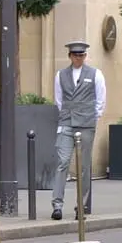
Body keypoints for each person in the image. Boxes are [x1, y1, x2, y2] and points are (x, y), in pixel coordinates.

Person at [51, 41, 106, 221]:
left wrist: (92, 116)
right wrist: (67, 113)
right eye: (75, 55)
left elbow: (101, 99)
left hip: (86, 123)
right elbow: (59, 99)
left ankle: (81, 206)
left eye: (81, 55)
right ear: (70, 56)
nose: (78, 58)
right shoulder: (61, 75)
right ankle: (57, 205)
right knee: (63, 162)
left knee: (84, 166)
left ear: (85, 56)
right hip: (67, 121)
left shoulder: (95, 74)